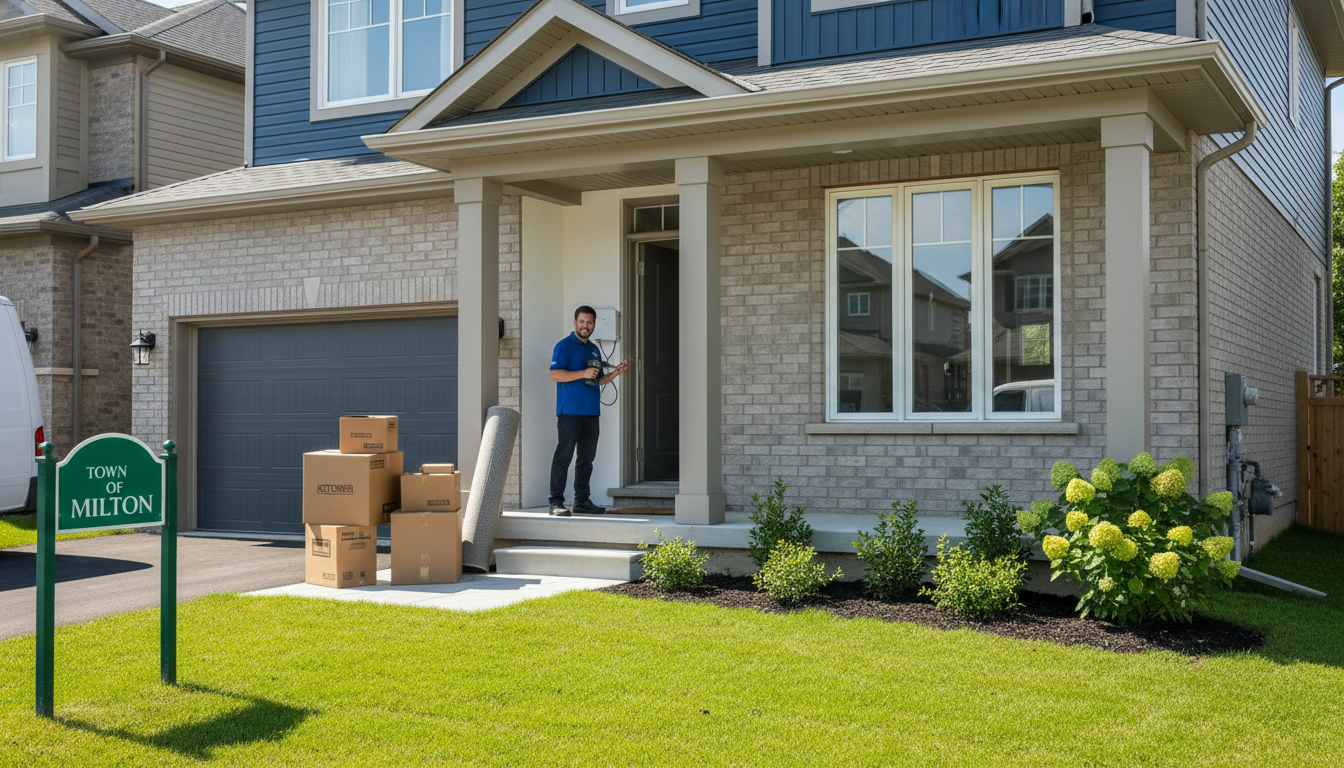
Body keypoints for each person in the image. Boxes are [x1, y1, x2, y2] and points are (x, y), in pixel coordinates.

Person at [548, 306, 628, 516]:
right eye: (582, 322)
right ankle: (556, 502)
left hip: (591, 412)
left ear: (594, 324)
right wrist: (582, 372)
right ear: (575, 322)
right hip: (570, 412)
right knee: (563, 457)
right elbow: (555, 375)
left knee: (586, 459)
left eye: (590, 322)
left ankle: (582, 501)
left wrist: (615, 373)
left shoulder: (593, 349)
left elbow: (598, 379)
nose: (585, 326)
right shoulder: (563, 346)